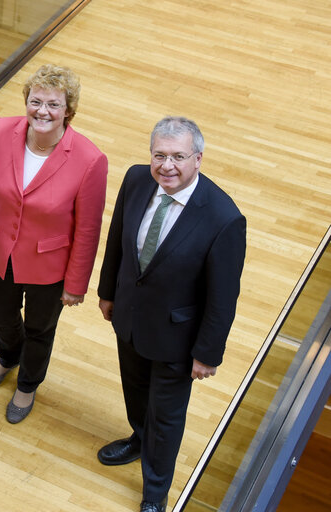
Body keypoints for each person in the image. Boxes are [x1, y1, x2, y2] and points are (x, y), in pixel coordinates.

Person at [96, 117, 247, 512]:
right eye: (159, 155)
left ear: (198, 158)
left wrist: (207, 353)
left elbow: (223, 297)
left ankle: (155, 493)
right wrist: (108, 291)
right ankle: (138, 438)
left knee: (166, 417)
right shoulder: (136, 180)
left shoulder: (224, 218)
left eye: (178, 157)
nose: (167, 166)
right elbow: (118, 238)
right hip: (129, 318)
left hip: (177, 340)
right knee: (135, 392)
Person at [0, 65, 108, 424]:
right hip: (2, 251)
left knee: (39, 328)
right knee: (1, 317)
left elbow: (88, 230)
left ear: (68, 110)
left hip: (50, 267)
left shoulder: (89, 160)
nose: (42, 111)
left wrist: (76, 284)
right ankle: (9, 355)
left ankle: (28, 384)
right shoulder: (4, 131)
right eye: (35, 101)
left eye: (53, 104)